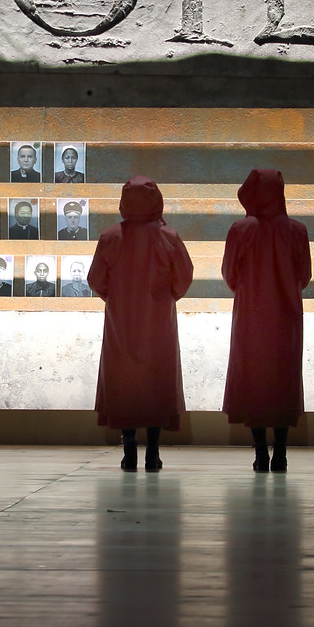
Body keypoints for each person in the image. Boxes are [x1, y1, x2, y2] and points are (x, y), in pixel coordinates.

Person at [90, 177, 193, 471]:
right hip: (158, 320)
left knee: (125, 382)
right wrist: (167, 297)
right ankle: (153, 452)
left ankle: (129, 450)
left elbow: (96, 279)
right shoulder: (169, 237)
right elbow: (184, 276)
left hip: (121, 320)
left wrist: (115, 298)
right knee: (156, 380)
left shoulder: (110, 237)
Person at [222, 168, 312, 472]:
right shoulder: (297, 231)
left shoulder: (239, 230)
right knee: (282, 380)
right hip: (287, 316)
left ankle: (260, 452)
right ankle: (281, 452)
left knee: (254, 380)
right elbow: (305, 276)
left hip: (250, 315)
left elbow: (229, 274)